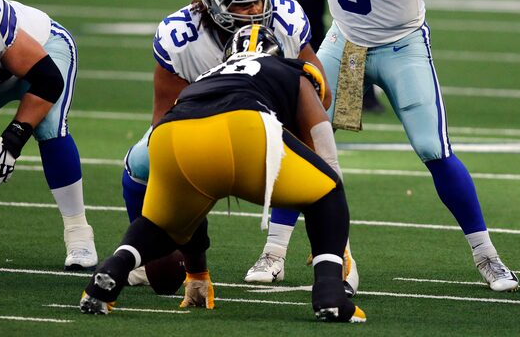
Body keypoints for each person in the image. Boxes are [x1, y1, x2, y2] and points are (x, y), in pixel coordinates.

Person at [187, 0, 520, 291]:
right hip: (346, 45)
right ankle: (273, 252)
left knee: (434, 149)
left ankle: (487, 256)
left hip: (402, 45)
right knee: (298, 143)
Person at [80, 24, 365, 323]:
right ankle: (330, 295)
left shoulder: (205, 77)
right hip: (243, 125)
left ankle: (112, 270)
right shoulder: (290, 69)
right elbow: (323, 150)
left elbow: (194, 214)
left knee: (161, 226)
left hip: (171, 134)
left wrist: (197, 273)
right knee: (329, 190)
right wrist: (334, 242)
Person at [118, 0, 357, 287]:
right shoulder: (181, 37)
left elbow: (321, 93)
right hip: (197, 125)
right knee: (140, 164)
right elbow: (162, 121)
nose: (256, 12)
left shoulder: (285, 19)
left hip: (266, 120)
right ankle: (145, 239)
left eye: (260, 1)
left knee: (306, 159)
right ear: (213, 3)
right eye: (243, 5)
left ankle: (279, 251)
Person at [0, 0, 97, 270]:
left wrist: (14, 137)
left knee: (50, 127)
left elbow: (48, 81)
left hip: (43, 52)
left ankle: (78, 235)